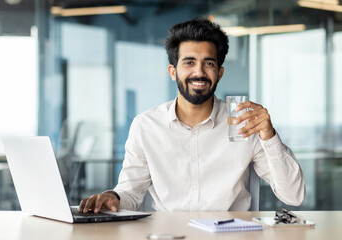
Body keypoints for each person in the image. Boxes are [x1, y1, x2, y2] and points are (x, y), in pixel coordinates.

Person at [79, 18, 305, 213]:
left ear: (219, 73)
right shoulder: (146, 126)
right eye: (189, 62)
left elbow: (294, 196)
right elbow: (130, 193)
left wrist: (269, 136)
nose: (199, 72)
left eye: (208, 63)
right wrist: (112, 197)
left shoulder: (243, 123)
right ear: (173, 71)